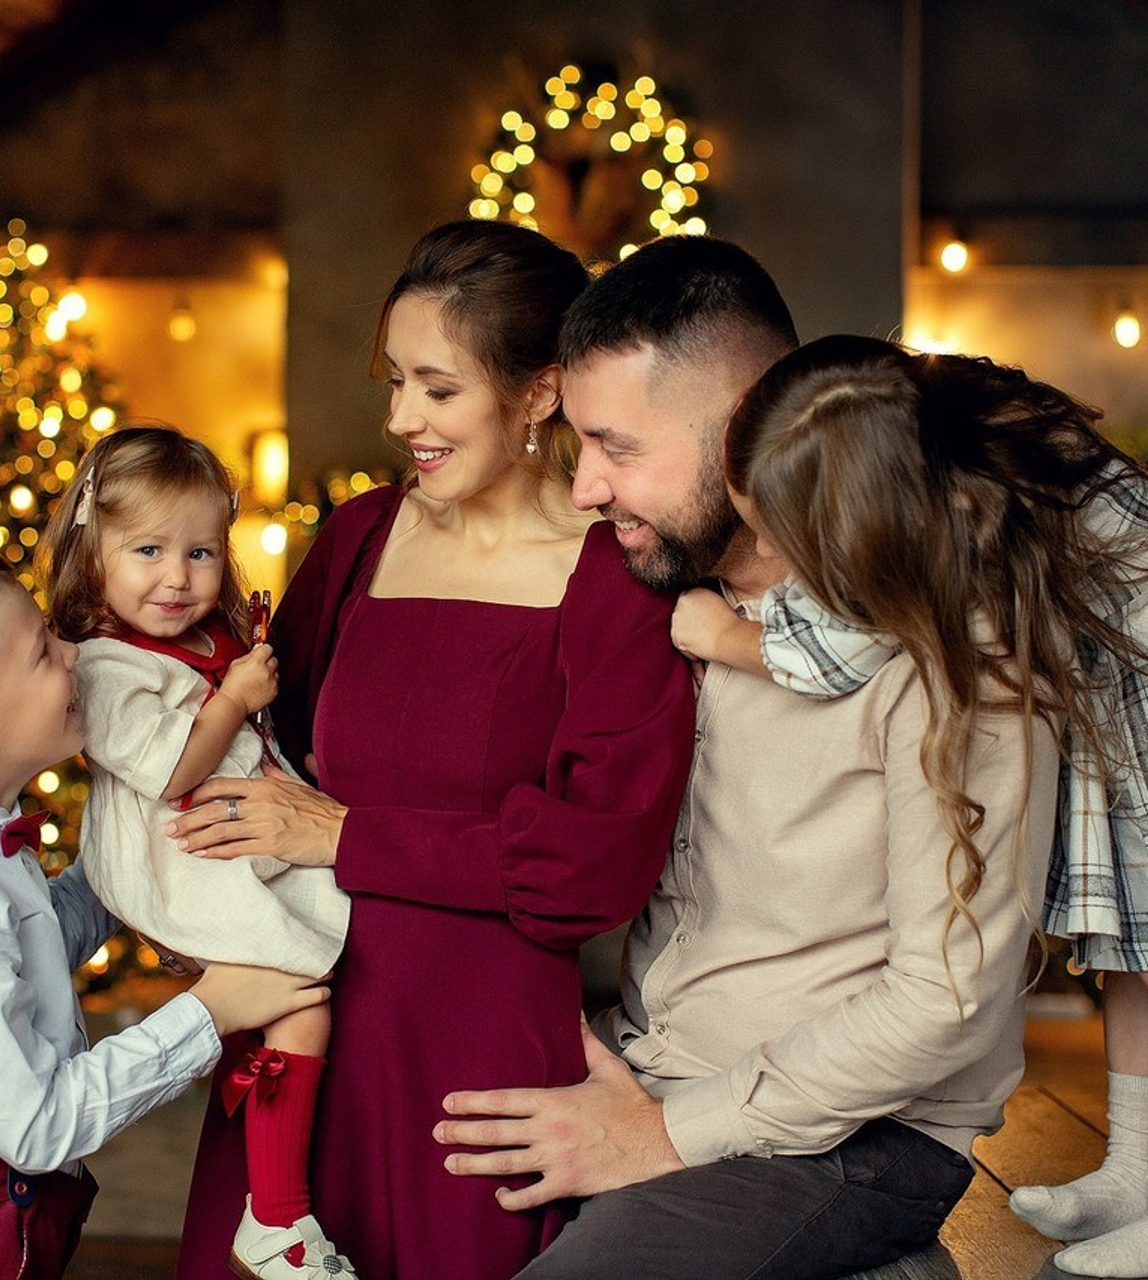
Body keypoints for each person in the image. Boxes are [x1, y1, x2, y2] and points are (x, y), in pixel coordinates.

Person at [432, 238, 1061, 1279]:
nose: (584, 486)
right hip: (646, 1065)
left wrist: (663, 1135)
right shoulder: (666, 596)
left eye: (614, 445)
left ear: (740, 434)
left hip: (849, 1136)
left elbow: (944, 999)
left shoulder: (947, 643)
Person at [166, 220, 697, 1280]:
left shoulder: (612, 578)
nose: (400, 416)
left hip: (475, 1067)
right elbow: (254, 755)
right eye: (395, 380)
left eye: (436, 387)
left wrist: (349, 835)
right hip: (301, 1029)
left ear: (539, 390)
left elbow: (594, 866)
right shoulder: (360, 535)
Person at [671, 335, 1148, 1280]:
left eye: (776, 529)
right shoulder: (899, 425)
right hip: (1104, 665)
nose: (766, 550)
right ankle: (1136, 1164)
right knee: (1129, 938)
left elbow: (846, 645)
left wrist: (722, 633)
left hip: (1134, 658)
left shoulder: (943, 516)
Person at [0, 546, 323, 1280]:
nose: (76, 654)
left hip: (20, 1217)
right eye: (41, 654)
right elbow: (36, 1124)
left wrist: (150, 856)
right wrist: (209, 1012)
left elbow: (44, 940)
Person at [37, 424, 352, 1278]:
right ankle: (278, 1218)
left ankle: (270, 1135)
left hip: (228, 840)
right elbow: (174, 770)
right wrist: (238, 694)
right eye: (147, 549)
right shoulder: (105, 663)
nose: (178, 577)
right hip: (179, 855)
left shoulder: (202, 633)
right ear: (92, 555)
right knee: (303, 999)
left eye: (201, 551)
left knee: (322, 974)